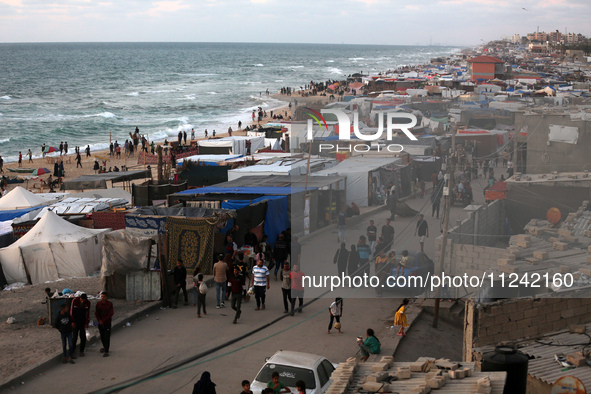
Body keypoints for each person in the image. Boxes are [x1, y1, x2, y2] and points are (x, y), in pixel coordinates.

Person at [70, 293, 90, 358]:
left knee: (83, 337)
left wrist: (86, 323)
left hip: (82, 322)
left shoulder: (88, 303)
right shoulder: (74, 301)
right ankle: (72, 352)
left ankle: (81, 351)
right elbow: (71, 312)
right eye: (81, 300)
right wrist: (72, 321)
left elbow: (88, 313)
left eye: (83, 301)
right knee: (74, 337)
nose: (82, 302)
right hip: (75, 321)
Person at [95, 291, 114, 357]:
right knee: (102, 336)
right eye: (101, 296)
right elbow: (96, 313)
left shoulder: (109, 304)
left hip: (107, 323)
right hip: (100, 323)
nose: (102, 298)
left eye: (104, 296)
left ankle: (106, 350)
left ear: (106, 297)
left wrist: (103, 320)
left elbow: (110, 314)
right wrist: (99, 320)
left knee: (107, 337)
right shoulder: (98, 304)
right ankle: (104, 347)